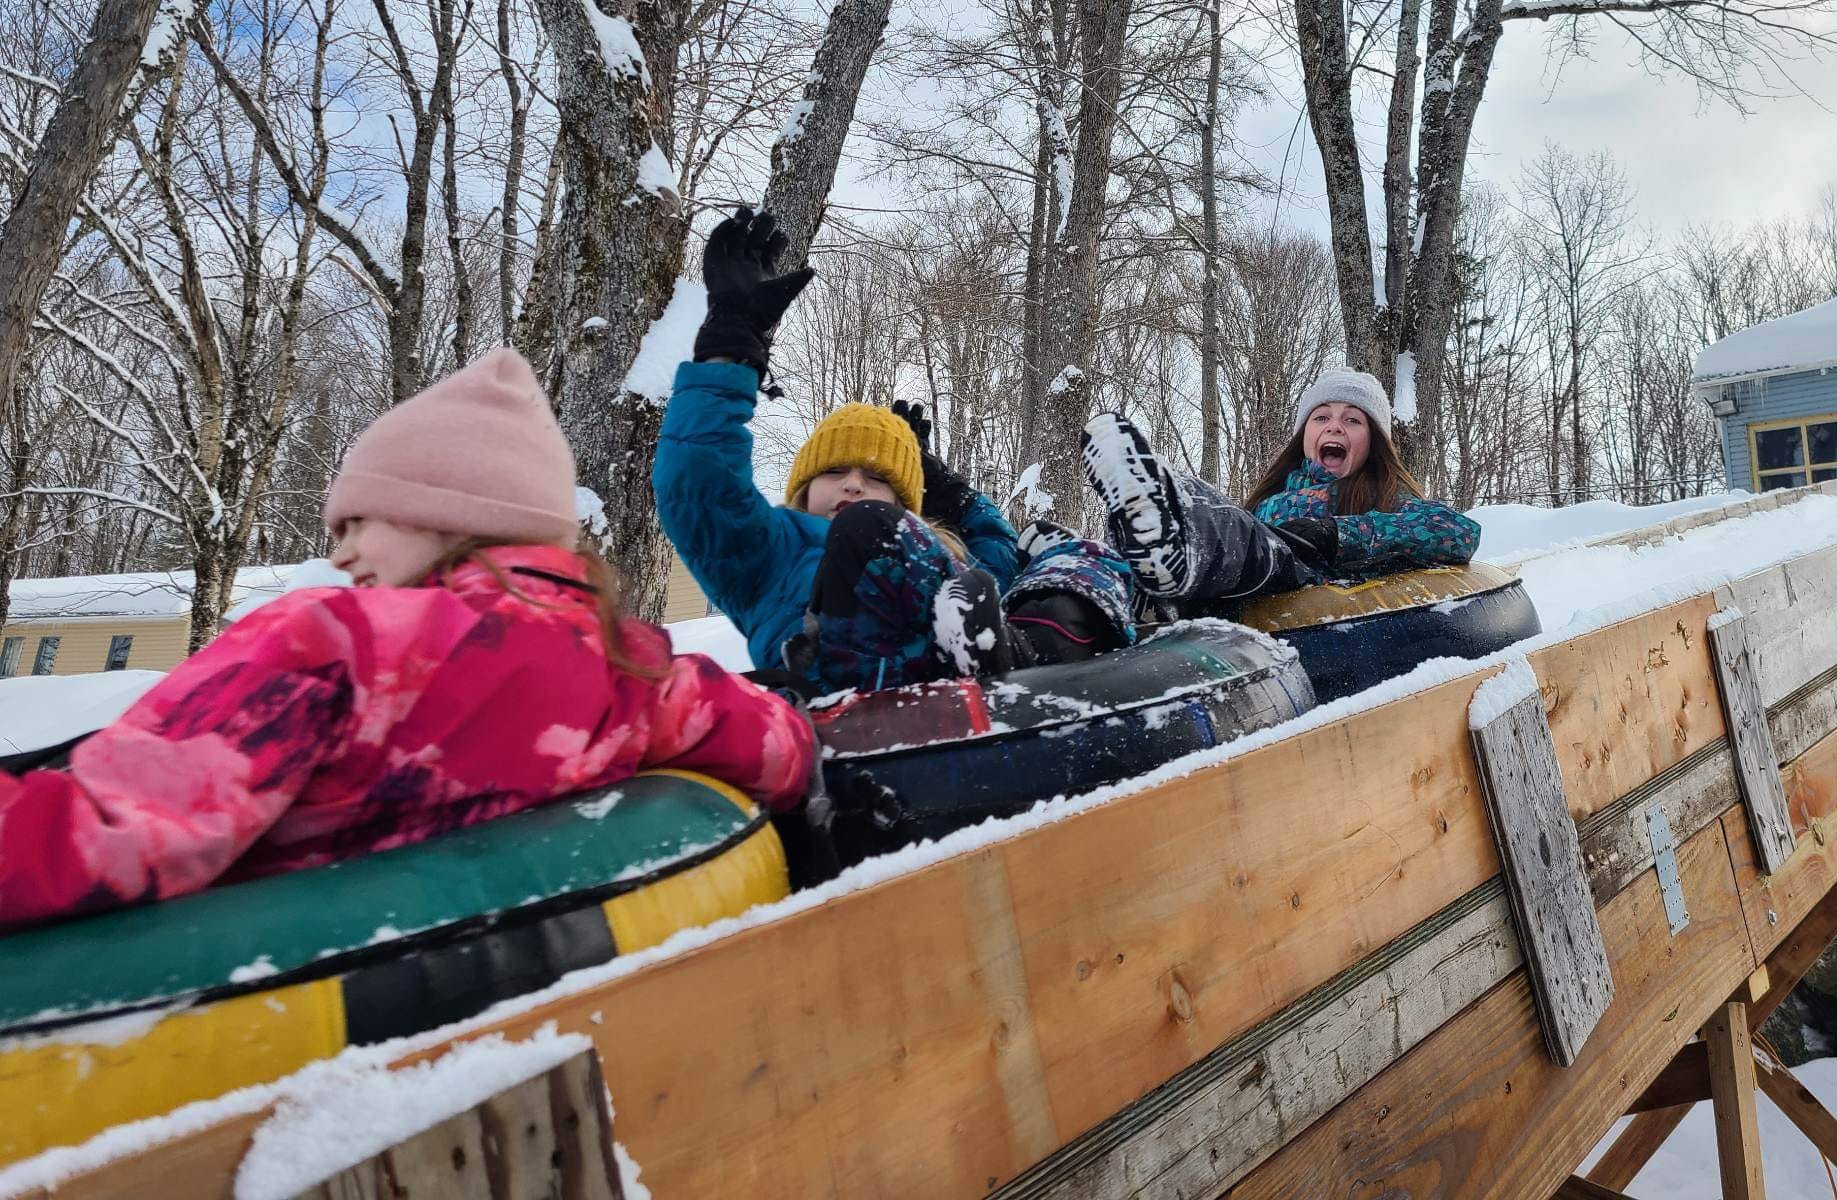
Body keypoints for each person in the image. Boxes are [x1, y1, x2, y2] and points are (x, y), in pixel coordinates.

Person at [0, 349, 817, 930]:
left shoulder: (333, 643)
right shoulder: (631, 667)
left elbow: (113, 828)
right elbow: (779, 747)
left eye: (360, 522)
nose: (339, 552)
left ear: (454, 515)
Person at [654, 208, 1138, 696]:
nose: (854, 483)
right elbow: (699, 483)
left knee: (1065, 550)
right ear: (802, 486)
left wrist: (941, 484)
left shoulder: (944, 554)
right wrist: (731, 343)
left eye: (878, 477)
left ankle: (1150, 563)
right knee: (864, 526)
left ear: (909, 502)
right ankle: (1011, 652)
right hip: (846, 694)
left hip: (981, 670)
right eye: (835, 470)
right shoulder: (767, 550)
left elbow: (996, 547)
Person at [1082, 368, 1481, 606]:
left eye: (1353, 420)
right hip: (1239, 591)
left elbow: (1459, 531)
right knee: (1214, 509)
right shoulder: (1271, 500)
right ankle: (1129, 553)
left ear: (1373, 441)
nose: (1334, 426)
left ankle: (1171, 539)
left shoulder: (1383, 495)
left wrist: (1338, 534)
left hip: (1307, 587)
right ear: (1304, 435)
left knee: (1249, 541)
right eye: (1321, 417)